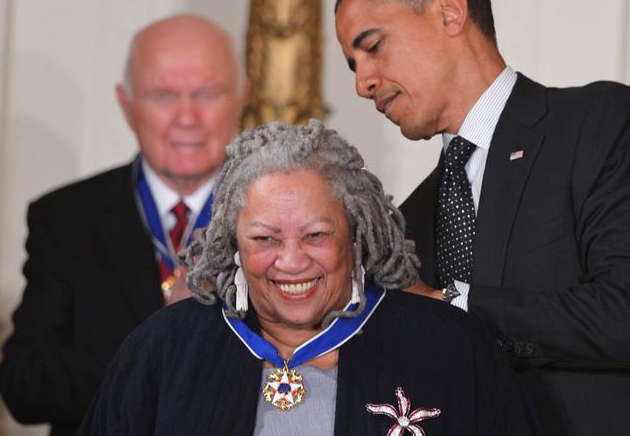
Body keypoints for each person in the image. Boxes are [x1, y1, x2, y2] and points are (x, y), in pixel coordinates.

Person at [79, 120, 538, 435]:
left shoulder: (448, 346)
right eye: (265, 239)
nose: (292, 261)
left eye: (316, 235)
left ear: (356, 232)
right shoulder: (163, 349)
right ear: (231, 242)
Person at [334, 0, 630, 435]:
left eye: (373, 46)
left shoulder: (598, 125)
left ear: (449, 10)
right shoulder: (406, 221)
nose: (363, 83)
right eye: (352, 64)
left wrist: (451, 307)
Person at [0, 14, 248, 436]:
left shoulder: (284, 215)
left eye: (207, 93)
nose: (187, 117)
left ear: (242, 96)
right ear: (126, 104)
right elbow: (24, 385)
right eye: (164, 96)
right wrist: (157, 336)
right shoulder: (65, 218)